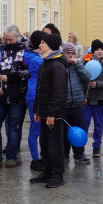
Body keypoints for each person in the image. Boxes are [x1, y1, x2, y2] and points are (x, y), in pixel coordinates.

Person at [0, 24, 29, 167]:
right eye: (5, 39)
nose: (7, 42)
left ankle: (11, 156)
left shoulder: (25, 52)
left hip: (17, 97)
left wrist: (10, 78)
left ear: (18, 37)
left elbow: (29, 73)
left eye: (10, 40)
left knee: (14, 128)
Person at [32, 32, 69, 188]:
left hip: (54, 114)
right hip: (45, 112)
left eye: (42, 43)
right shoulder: (45, 63)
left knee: (54, 145)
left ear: (51, 46)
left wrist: (51, 113)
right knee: (45, 144)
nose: (39, 45)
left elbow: (59, 92)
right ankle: (47, 171)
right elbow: (40, 90)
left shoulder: (57, 65)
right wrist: (37, 110)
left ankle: (57, 174)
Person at [83, 39, 103, 159]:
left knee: (98, 125)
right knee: (85, 123)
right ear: (92, 51)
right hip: (87, 100)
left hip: (101, 99)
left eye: (102, 49)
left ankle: (97, 147)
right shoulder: (85, 62)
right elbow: (81, 80)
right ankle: (81, 147)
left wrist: (98, 84)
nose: (100, 51)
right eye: (97, 49)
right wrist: (83, 96)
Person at [62, 42, 91, 163]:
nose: (70, 56)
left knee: (79, 129)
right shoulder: (60, 66)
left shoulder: (77, 65)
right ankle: (64, 154)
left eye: (72, 53)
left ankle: (79, 153)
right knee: (64, 132)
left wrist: (77, 64)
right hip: (63, 105)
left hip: (77, 104)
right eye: (67, 53)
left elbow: (87, 77)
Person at [24, 30, 45, 170]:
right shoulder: (36, 59)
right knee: (35, 129)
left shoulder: (36, 56)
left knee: (41, 129)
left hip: (39, 95)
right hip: (35, 96)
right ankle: (35, 159)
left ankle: (43, 157)